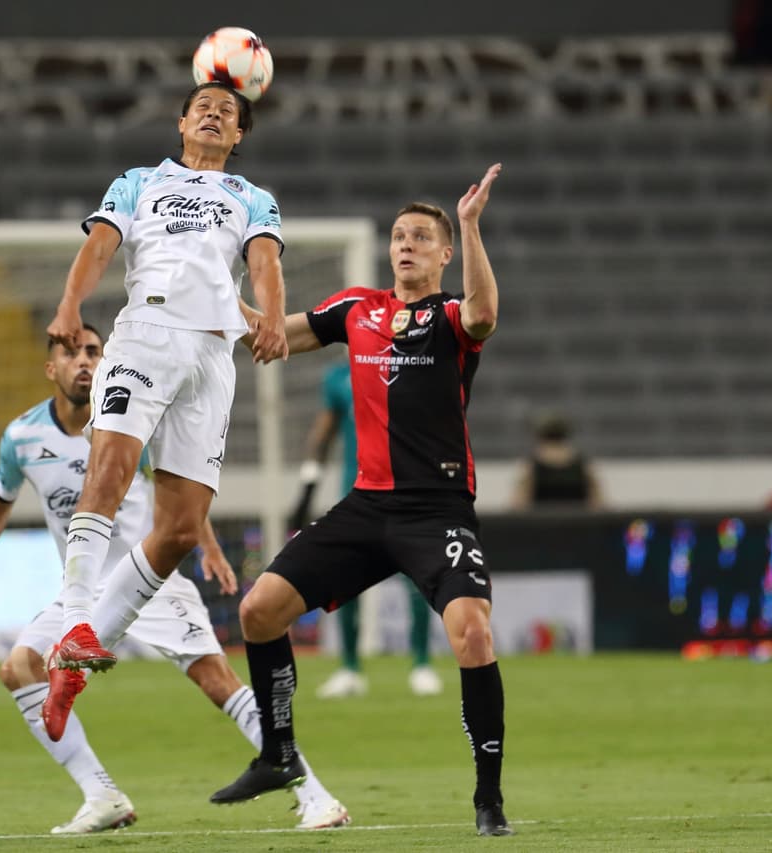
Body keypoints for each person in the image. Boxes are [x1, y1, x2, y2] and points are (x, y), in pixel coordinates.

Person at [0, 329, 350, 833]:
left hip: (148, 578)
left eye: (93, 351)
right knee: (19, 669)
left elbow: (180, 488)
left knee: (217, 681)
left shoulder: (127, 419)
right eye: (71, 353)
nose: (84, 362)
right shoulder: (21, 437)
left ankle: (316, 795)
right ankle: (102, 795)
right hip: (82, 595)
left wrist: (210, 547)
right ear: (51, 369)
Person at [212, 165, 516, 837]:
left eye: (420, 238)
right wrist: (210, 286)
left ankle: (488, 796)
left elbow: (487, 313)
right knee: (260, 609)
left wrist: (468, 224)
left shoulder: (451, 318)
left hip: (436, 510)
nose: (405, 245)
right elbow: (272, 339)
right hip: (366, 507)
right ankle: (278, 752)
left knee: (473, 631)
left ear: (443, 255)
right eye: (398, 236)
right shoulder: (358, 309)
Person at [41, 80, 289, 734]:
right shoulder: (139, 181)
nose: (214, 114)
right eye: (203, 107)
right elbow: (99, 246)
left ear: (238, 137)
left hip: (212, 359)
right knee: (112, 470)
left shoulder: (252, 198)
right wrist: (70, 305)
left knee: (181, 527)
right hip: (146, 335)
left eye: (227, 112)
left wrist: (268, 314)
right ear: (181, 122)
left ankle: (75, 662)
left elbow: (263, 263)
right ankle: (74, 620)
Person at [291, 361, 443, 698]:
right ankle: (349, 668)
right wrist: (307, 488)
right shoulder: (338, 378)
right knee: (344, 581)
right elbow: (324, 435)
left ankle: (421, 663)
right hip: (355, 492)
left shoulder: (411, 361)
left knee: (417, 579)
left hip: (407, 491)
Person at [510, 410, 603, 510]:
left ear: (540, 436)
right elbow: (598, 504)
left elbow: (518, 505)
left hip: (542, 523)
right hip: (576, 522)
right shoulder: (582, 464)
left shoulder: (531, 466)